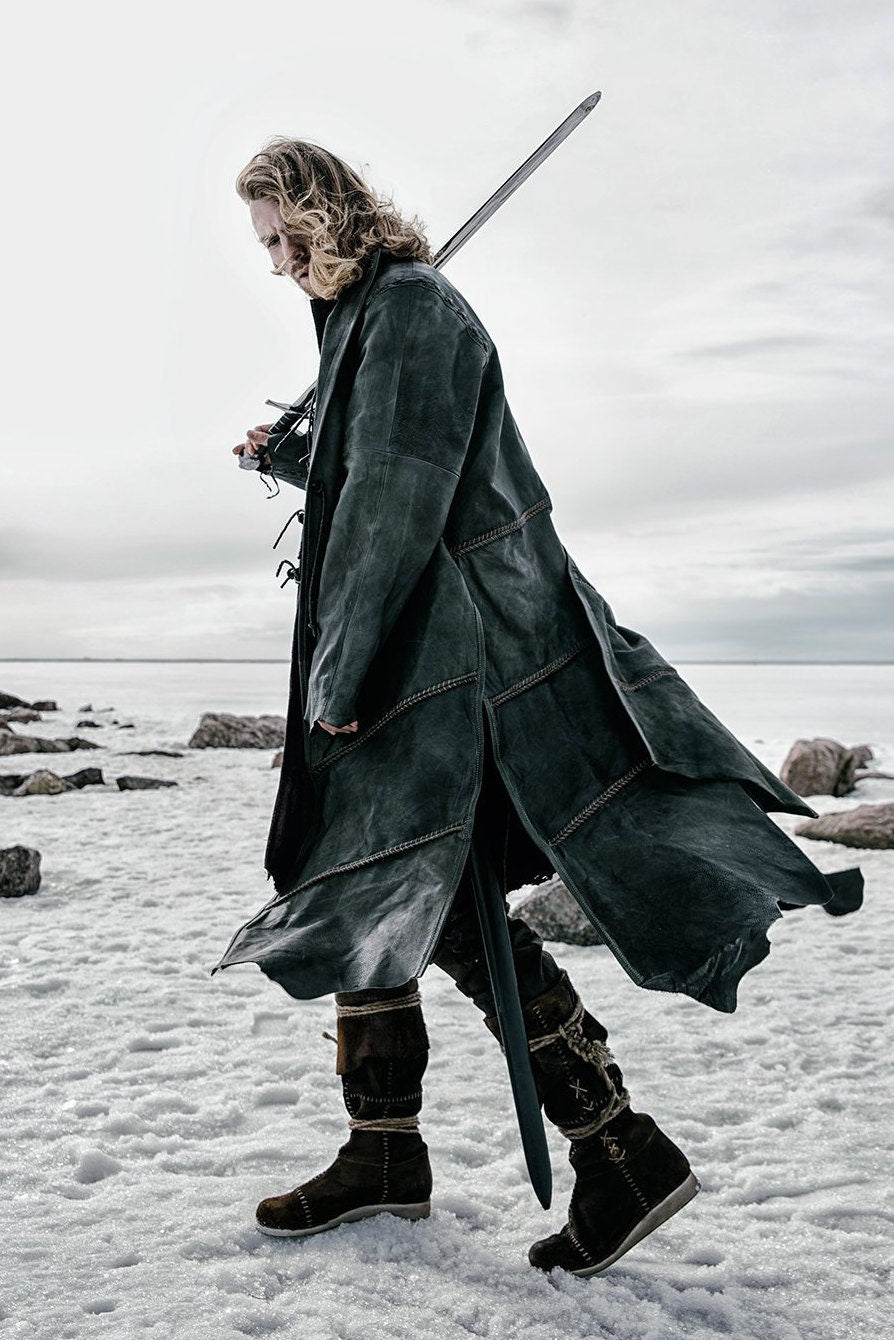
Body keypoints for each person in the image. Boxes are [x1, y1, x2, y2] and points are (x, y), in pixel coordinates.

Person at [215, 138, 861, 1276]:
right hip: (419, 655)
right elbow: (383, 471)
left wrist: (342, 674)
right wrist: (300, 457)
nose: (276, 262)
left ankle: (615, 1146)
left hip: (452, 663)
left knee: (440, 899)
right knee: (364, 878)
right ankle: (394, 1147)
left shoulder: (409, 310)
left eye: (283, 236)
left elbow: (401, 505)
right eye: (264, 245)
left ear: (323, 209)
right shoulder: (367, 317)